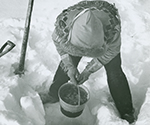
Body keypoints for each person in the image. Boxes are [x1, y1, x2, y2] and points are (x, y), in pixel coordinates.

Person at [39, 0, 135, 123]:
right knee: (69, 62)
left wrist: (88, 71)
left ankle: (126, 110)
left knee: (114, 69)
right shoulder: (62, 28)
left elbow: (110, 53)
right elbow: (61, 47)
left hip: (103, 15)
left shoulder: (112, 29)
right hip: (74, 31)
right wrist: (70, 67)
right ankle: (53, 93)